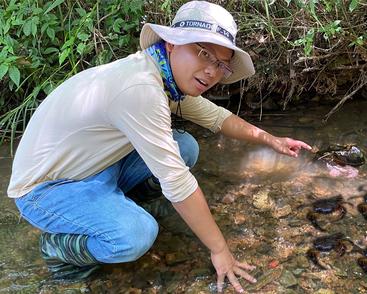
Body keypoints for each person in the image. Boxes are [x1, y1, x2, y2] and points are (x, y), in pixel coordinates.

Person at [7, 1, 311, 292]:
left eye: (221, 64)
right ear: (173, 43)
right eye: (203, 53)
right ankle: (57, 247)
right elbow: (177, 182)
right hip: (46, 189)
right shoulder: (141, 89)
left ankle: (123, 207)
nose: (211, 71)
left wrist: (273, 140)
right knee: (134, 236)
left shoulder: (162, 75)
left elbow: (218, 118)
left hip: (94, 166)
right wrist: (220, 250)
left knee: (185, 147)